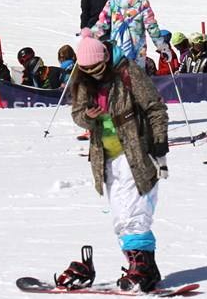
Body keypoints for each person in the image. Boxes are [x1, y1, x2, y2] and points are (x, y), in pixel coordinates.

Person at [68, 29, 168, 292]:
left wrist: (159, 146)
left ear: (105, 58)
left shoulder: (126, 71)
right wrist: (88, 116)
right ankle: (144, 267)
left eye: (97, 67)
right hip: (105, 157)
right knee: (121, 218)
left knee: (134, 214)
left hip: (135, 152)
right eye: (87, 69)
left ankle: (142, 269)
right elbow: (77, 114)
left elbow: (155, 107)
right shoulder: (83, 78)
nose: (93, 73)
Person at [91, 0, 168, 68]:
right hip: (138, 53)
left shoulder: (111, 4)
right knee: (137, 79)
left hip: (117, 52)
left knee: (119, 78)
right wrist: (162, 47)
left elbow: (102, 25)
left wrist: (89, 37)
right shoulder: (142, 3)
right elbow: (152, 27)